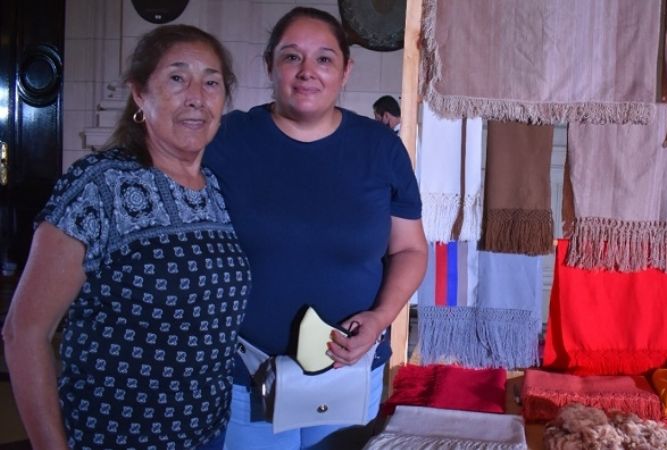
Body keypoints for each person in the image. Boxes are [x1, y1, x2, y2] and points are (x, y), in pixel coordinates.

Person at [2, 25, 250, 450]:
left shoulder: (216, 189)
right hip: (112, 437)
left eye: (211, 82)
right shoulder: (100, 187)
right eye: (176, 78)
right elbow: (24, 333)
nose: (196, 96)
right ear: (140, 93)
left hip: (207, 434)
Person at [204, 6, 427, 449]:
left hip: (347, 374)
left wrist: (382, 317)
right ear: (270, 65)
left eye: (324, 59)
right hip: (244, 378)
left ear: (346, 70)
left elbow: (410, 250)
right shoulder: (226, 140)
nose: (308, 72)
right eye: (291, 57)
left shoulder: (381, 149)